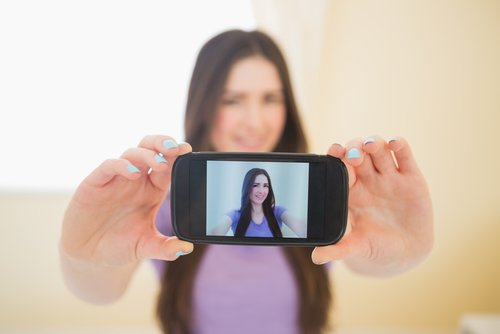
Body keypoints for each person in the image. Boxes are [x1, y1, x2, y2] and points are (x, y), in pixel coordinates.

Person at [59, 30, 433, 334]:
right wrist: (82, 256)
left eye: (271, 98)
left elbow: (368, 259)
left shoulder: (316, 204)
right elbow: (100, 291)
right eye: (232, 100)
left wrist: (407, 253)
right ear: (204, 104)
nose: (254, 121)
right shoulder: (163, 204)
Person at [210, 167, 306, 238]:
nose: (261, 191)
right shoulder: (235, 215)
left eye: (265, 186)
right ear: (247, 187)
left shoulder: (277, 211)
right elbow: (215, 233)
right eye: (255, 185)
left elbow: (301, 228)